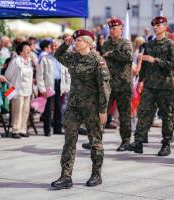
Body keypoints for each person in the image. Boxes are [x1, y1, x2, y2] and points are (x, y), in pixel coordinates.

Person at [51, 29, 110, 189]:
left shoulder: (98, 61)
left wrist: (103, 110)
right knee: (69, 140)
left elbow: (104, 87)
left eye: (78, 41)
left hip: (92, 107)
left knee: (95, 141)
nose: (75, 43)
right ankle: (65, 176)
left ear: (88, 43)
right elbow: (57, 55)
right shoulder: (72, 57)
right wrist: (66, 43)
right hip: (74, 106)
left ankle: (96, 174)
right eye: (75, 41)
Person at [129, 16, 174, 156]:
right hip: (149, 85)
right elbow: (144, 64)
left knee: (167, 115)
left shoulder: (171, 44)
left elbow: (173, 65)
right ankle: (138, 142)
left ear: (165, 27)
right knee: (144, 112)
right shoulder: (149, 44)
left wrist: (155, 60)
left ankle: (166, 144)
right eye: (154, 25)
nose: (155, 27)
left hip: (165, 86)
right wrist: (140, 81)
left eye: (158, 25)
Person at [101, 18, 133, 151]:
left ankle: (125, 141)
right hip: (108, 85)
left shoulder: (125, 43)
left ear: (121, 29)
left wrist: (112, 54)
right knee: (101, 111)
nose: (112, 30)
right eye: (111, 28)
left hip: (123, 85)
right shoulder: (106, 44)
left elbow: (128, 56)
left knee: (124, 114)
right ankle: (95, 140)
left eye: (115, 28)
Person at [36, 39, 70, 136]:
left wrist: (66, 87)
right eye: (53, 46)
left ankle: (57, 129)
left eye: (56, 46)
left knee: (58, 107)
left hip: (60, 83)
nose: (54, 48)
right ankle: (47, 130)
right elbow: (39, 75)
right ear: (50, 47)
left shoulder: (63, 58)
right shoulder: (45, 58)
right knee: (48, 108)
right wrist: (42, 89)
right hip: (49, 85)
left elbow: (67, 73)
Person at [5, 42, 34, 138]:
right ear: (21, 51)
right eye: (26, 49)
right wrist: (12, 85)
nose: (28, 51)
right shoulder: (15, 61)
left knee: (26, 110)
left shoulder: (29, 61)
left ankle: (23, 129)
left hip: (27, 90)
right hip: (17, 90)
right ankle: (15, 130)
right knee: (17, 110)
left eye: (29, 49)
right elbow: (8, 75)